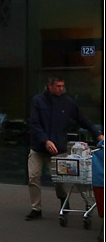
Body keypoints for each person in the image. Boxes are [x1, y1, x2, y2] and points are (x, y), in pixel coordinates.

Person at [26, 76, 103, 220]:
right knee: (33, 177)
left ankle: (63, 200)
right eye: (58, 86)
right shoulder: (38, 101)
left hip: (58, 149)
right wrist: (45, 141)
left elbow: (82, 119)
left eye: (62, 86)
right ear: (49, 86)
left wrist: (97, 134)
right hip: (38, 147)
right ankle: (36, 208)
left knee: (59, 180)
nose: (61, 88)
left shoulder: (67, 103)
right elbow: (34, 124)